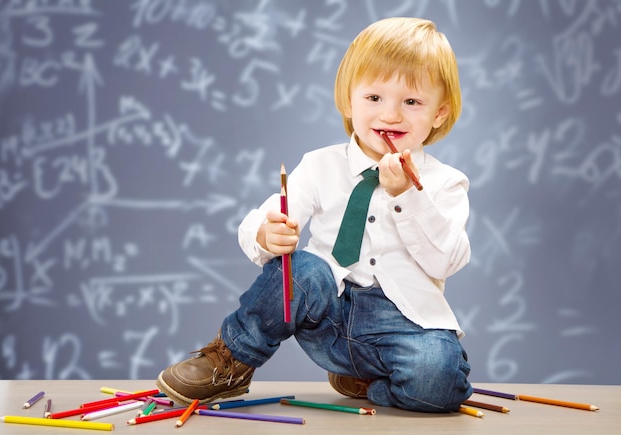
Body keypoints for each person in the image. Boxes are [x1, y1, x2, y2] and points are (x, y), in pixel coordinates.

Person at [156, 16, 473, 412]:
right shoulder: (320, 165)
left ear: (439, 114)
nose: (390, 115)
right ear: (348, 100)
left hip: (403, 325)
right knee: (303, 268)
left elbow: (448, 259)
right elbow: (265, 216)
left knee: (438, 383)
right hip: (329, 311)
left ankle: (370, 380)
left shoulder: (445, 183)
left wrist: (407, 197)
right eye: (374, 99)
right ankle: (232, 360)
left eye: (411, 102)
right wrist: (264, 233)